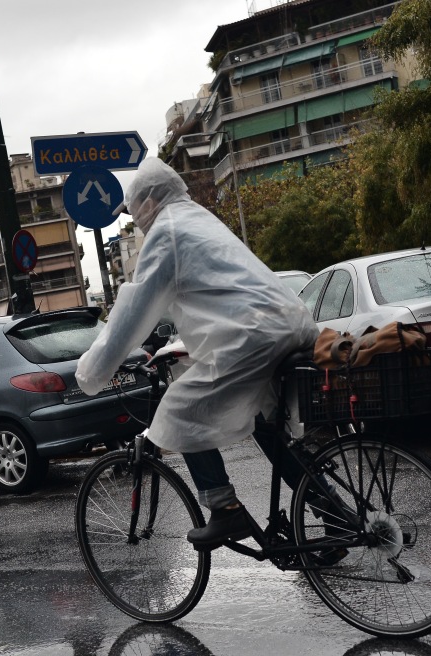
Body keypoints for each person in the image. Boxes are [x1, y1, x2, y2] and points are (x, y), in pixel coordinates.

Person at [75, 158, 319, 549]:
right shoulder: (198, 217)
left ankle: (225, 509)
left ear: (149, 202)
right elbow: (217, 297)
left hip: (255, 337)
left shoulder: (166, 233)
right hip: (288, 324)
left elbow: (132, 315)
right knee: (267, 425)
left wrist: (91, 371)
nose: (134, 220)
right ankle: (336, 515)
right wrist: (188, 346)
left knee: (179, 412)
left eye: (134, 210)